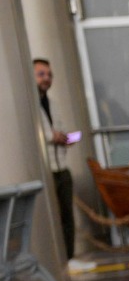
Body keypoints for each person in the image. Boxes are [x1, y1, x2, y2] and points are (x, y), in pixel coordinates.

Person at [33, 59, 77, 261]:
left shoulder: (54, 104)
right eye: (41, 74)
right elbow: (37, 134)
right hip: (46, 169)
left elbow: (62, 131)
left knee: (67, 216)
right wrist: (54, 136)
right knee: (52, 218)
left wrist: (66, 137)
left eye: (49, 74)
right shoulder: (29, 105)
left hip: (62, 168)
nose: (46, 78)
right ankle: (55, 261)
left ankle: (69, 258)